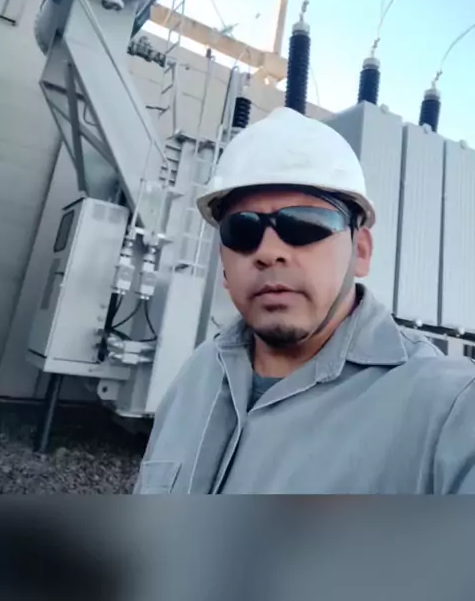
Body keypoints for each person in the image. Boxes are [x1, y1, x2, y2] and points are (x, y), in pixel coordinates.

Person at [134, 107, 475, 494]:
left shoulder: (449, 410)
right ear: (224, 263)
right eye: (242, 229)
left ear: (360, 252)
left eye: (304, 224)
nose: (268, 252)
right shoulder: (195, 378)